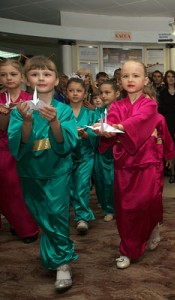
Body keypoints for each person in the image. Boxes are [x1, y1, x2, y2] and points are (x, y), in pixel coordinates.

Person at [96, 59, 175, 269]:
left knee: (146, 204)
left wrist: (117, 127)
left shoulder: (149, 104)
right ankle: (127, 249)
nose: (130, 80)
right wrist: (105, 130)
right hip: (124, 165)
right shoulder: (115, 106)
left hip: (148, 164)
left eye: (135, 75)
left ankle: (151, 227)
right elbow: (111, 127)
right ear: (119, 80)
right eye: (125, 76)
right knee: (124, 208)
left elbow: (139, 121)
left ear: (146, 79)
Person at [8, 56, 79, 291]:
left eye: (47, 74)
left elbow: (65, 144)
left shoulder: (65, 110)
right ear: (27, 79)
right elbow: (19, 145)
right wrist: (26, 122)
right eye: (35, 74)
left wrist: (55, 122)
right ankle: (55, 256)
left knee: (57, 214)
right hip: (30, 174)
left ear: (56, 79)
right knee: (42, 218)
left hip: (57, 172)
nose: (41, 78)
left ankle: (63, 264)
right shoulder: (21, 110)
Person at [0, 59, 39, 243]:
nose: (8, 78)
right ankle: (19, 224)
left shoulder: (30, 99)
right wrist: (3, 114)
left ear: (22, 77)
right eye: (3, 74)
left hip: (27, 147)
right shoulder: (0, 99)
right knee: (9, 187)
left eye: (13, 74)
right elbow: (2, 128)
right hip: (4, 148)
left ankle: (28, 225)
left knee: (27, 189)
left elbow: (36, 127)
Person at [67, 77, 97, 233]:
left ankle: (82, 216)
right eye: (71, 91)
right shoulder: (62, 111)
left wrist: (86, 135)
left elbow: (96, 132)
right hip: (66, 155)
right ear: (66, 92)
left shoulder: (91, 114)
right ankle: (71, 212)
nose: (75, 94)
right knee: (69, 187)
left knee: (82, 185)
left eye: (78, 91)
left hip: (86, 154)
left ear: (85, 94)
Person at [93, 80, 120, 222]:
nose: (103, 96)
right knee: (103, 181)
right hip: (102, 152)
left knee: (117, 181)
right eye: (101, 93)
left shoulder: (122, 109)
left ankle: (119, 207)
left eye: (107, 92)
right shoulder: (97, 111)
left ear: (117, 93)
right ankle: (108, 208)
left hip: (118, 151)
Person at [158, 70, 175, 183]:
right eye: (168, 76)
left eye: (172, 76)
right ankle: (173, 173)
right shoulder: (163, 92)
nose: (170, 78)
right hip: (168, 122)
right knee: (171, 148)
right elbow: (161, 110)